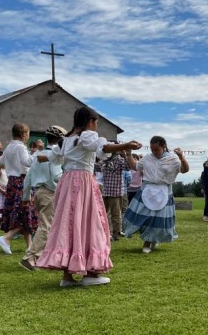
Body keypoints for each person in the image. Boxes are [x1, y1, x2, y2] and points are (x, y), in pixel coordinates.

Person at [36, 106, 141, 287]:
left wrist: (39, 155)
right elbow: (104, 147)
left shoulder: (66, 140)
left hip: (67, 182)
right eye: (96, 122)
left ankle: (67, 276)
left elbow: (52, 157)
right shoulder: (86, 136)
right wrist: (126, 145)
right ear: (91, 122)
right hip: (82, 182)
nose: (96, 126)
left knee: (69, 224)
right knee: (89, 223)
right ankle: (91, 273)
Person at [123, 136, 189, 253]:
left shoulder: (172, 159)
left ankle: (148, 242)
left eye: (156, 149)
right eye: (152, 149)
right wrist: (129, 154)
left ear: (163, 147)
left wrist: (181, 157)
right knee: (142, 216)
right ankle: (151, 238)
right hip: (147, 190)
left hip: (164, 191)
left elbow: (184, 170)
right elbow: (135, 166)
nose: (154, 152)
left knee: (156, 219)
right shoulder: (148, 158)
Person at [19, 125, 66, 271]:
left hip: (38, 192)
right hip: (50, 192)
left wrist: (25, 196)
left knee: (46, 225)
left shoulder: (39, 155)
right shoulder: (54, 156)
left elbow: (28, 177)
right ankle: (30, 257)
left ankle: (44, 257)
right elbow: (56, 176)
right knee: (47, 226)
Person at [0, 123, 37, 256]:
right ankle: (7, 238)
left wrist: (11, 163)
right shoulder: (20, 147)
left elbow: (1, 161)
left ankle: (30, 245)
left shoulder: (10, 146)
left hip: (12, 181)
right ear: (23, 134)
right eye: (28, 133)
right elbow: (28, 162)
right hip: (21, 181)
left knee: (23, 212)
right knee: (24, 211)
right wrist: (37, 152)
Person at [101, 151, 130, 241]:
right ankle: (103, 233)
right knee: (102, 214)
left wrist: (125, 154)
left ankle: (116, 234)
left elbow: (128, 167)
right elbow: (97, 167)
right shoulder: (105, 159)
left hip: (115, 192)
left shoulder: (120, 160)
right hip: (105, 191)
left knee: (115, 215)